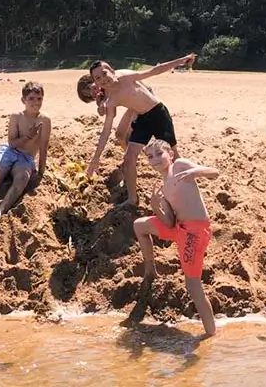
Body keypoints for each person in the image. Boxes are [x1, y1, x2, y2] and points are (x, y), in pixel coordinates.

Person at [133, 139, 218, 336]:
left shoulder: (180, 166)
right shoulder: (163, 187)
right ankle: (150, 271)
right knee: (139, 225)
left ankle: (211, 335)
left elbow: (215, 173)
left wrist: (195, 172)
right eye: (150, 157)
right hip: (179, 228)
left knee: (193, 285)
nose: (155, 159)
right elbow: (169, 222)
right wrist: (156, 206)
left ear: (170, 154)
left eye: (159, 154)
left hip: (195, 232)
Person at [86, 53, 195, 206]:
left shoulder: (125, 77)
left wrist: (180, 61)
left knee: (175, 156)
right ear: (96, 83)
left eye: (104, 74)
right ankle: (132, 198)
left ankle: (188, 189)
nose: (103, 79)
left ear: (111, 70)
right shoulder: (110, 100)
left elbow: (154, 71)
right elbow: (106, 130)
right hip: (142, 120)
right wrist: (95, 158)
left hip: (158, 113)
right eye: (98, 78)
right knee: (128, 159)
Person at [0, 81, 51, 223]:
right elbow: (12, 143)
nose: (36, 102)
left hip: (26, 158)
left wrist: (41, 173)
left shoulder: (45, 120)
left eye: (39, 98)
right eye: (31, 99)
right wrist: (28, 136)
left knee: (21, 179)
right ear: (23, 100)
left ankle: (0, 210)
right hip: (10, 151)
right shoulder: (16, 116)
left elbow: (43, 148)